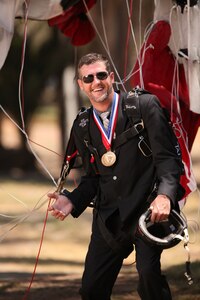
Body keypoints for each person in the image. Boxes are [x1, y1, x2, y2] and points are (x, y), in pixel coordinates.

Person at [48, 53, 184, 300]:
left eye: (101, 75)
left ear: (111, 77)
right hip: (109, 218)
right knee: (91, 289)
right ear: (81, 84)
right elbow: (92, 179)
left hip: (148, 212)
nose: (96, 82)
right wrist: (72, 200)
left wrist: (165, 196)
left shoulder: (144, 106)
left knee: (149, 277)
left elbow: (168, 160)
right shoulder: (82, 125)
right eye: (88, 78)